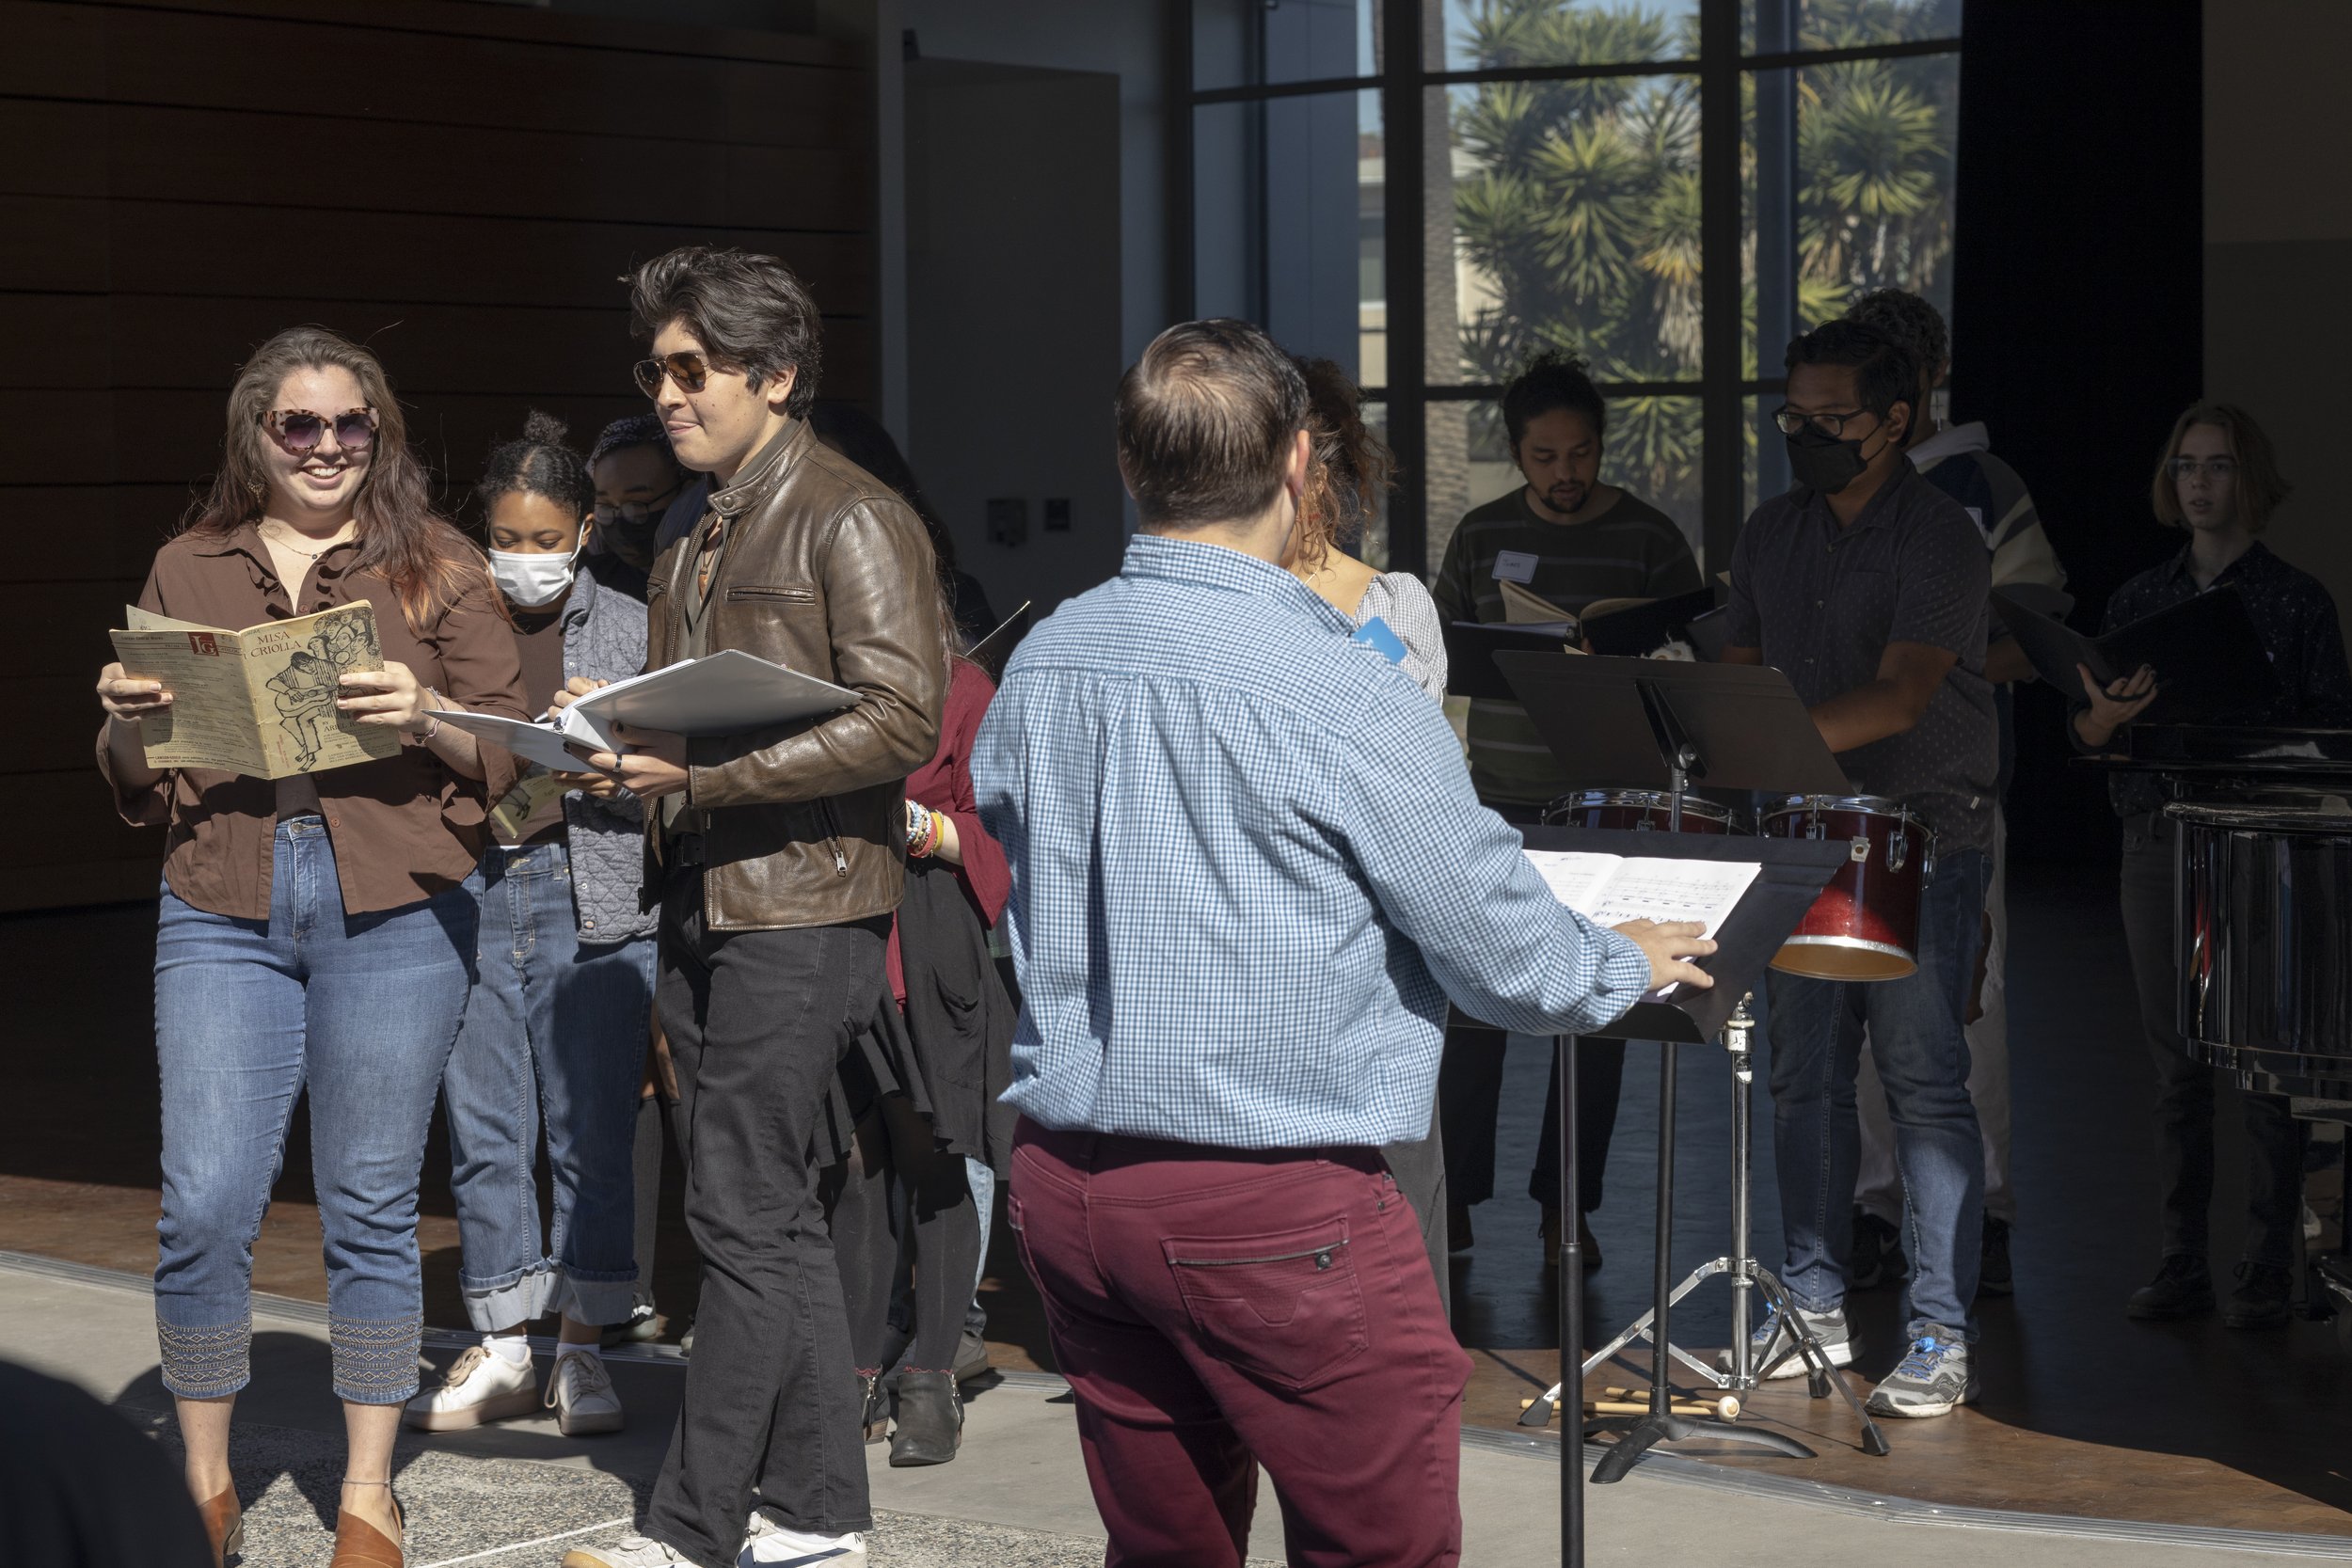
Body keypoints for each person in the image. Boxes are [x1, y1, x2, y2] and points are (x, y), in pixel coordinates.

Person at [972, 318, 1716, 1567]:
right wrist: (1622, 957)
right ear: (1301, 462)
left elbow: (1015, 869)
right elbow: (1501, 947)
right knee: (1385, 1545)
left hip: (1068, 1187)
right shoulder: (1336, 679)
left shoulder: (1048, 656)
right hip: (1270, 1194)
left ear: (1128, 461)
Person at [94, 326, 530, 1565]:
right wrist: (127, 720)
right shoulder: (191, 562)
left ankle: (369, 1492)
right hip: (222, 894)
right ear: (258, 435)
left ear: (377, 433)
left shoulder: (435, 564)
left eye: (352, 425)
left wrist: (431, 716)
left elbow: (520, 750)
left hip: (397, 900)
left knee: (372, 1204)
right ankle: (204, 1479)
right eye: (302, 425)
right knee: (208, 1200)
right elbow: (137, 775)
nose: (329, 446)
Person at [558, 246, 945, 1568]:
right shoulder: (686, 523)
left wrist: (704, 772)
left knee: (737, 1208)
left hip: (810, 905)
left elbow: (904, 716)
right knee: (768, 1208)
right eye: (652, 369)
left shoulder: (853, 514)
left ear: (775, 376)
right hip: (702, 894)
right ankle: (823, 1509)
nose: (666, 393)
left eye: (691, 369)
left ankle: (694, 1522)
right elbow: (679, 710)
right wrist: (598, 737)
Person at [1723, 318, 1996, 1419]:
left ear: (1895, 420)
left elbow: (1900, 698)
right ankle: (1808, 1303)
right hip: (1798, 833)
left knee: (1925, 1083)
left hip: (1922, 829)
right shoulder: (1767, 532)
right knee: (1801, 1081)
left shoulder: (1940, 538)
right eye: (1795, 416)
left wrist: (1761, 742)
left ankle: (1938, 1330)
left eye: (1832, 419)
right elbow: (1735, 670)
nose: (1808, 435)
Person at [401, 414, 657, 1441]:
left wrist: (613, 742)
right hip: (473, 876)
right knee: (485, 1120)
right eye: (508, 535)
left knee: (593, 1125)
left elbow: (675, 770)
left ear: (586, 531)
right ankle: (506, 1338)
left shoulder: (636, 625)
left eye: (548, 538)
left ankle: (585, 1348)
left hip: (592, 881)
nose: (527, 557)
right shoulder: (443, 618)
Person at [2072, 404, 2352, 1328]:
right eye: (2185, 464)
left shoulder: (2297, 600)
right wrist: (2107, 723)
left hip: (2263, 842)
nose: (2198, 482)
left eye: (2219, 465)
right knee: (2175, 1064)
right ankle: (2181, 1254)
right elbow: (2090, 742)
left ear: (2249, 479)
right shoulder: (2137, 598)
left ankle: (2270, 1255)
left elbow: (2330, 737)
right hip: (2159, 838)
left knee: (2269, 1063)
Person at [1428, 351, 1701, 1265]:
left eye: (1579, 454)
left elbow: (1693, 663)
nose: (1564, 474)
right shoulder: (1477, 534)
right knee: (1471, 1013)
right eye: (1544, 457)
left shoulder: (1652, 537)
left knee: (1597, 1018)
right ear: (1516, 453)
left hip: (1607, 804)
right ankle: (1455, 1202)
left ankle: (1564, 1212)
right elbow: (1435, 655)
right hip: (1496, 803)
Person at [1843, 287, 2070, 1299]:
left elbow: (2037, 629)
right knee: (1856, 997)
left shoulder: (1981, 483)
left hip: (1959, 788)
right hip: (1854, 787)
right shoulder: (1836, 483)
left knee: (1966, 1006)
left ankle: (1985, 1208)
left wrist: (1932, 656)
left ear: (1926, 380)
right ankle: (1878, 1204)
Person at [818, 575, 1013, 1467]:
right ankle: (858, 1366)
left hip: (931, 942)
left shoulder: (966, 689)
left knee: (937, 1156)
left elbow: (1002, 828)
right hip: (836, 939)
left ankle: (931, 1372)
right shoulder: (816, 684)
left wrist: (927, 829)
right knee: (857, 1164)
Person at [1283, 356, 1455, 1308]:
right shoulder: (1188, 602)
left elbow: (1414, 793)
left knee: (1390, 1199)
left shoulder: (1391, 606)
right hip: (1239, 959)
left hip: (1366, 957)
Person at [587, 414, 688, 579]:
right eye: (605, 506)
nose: (621, 524)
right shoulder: (591, 583)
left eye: (636, 505)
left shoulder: (711, 572)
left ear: (685, 493)